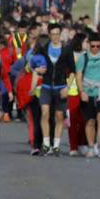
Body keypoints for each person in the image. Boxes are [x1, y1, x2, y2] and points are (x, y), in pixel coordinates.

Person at [31, 24, 76, 156]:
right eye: (53, 34)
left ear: (60, 35)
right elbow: (33, 64)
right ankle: (45, 144)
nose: (55, 36)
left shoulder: (67, 50)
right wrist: (37, 69)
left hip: (60, 87)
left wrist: (67, 88)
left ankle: (56, 145)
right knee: (44, 113)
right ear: (49, 35)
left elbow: (72, 71)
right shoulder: (44, 49)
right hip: (46, 86)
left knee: (59, 116)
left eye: (57, 34)